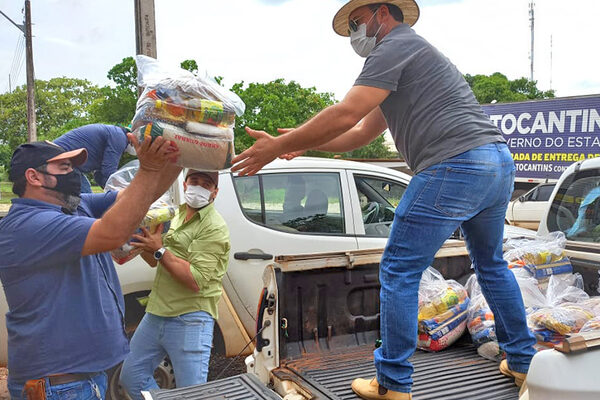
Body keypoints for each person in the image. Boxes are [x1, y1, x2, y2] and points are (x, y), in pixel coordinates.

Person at [231, 1, 536, 399]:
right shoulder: (412, 59)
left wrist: (279, 145)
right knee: (491, 264)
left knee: (398, 270)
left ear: (382, 14)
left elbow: (344, 112)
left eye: (357, 22)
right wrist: (300, 144)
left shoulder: (393, 47)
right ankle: (522, 362)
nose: (354, 32)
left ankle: (392, 383)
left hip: (454, 164)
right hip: (495, 163)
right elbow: (358, 133)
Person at [0, 136, 180, 400]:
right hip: (57, 386)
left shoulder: (74, 206)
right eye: (63, 168)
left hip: (82, 379)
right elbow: (113, 234)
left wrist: (179, 155)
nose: (73, 173)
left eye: (73, 167)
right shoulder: (28, 225)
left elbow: (144, 194)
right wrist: (148, 168)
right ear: (34, 177)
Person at [120, 169, 230, 400]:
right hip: (157, 312)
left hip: (190, 319)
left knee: (192, 394)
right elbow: (154, 261)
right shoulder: (174, 215)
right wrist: (142, 244)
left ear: (215, 192)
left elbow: (195, 280)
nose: (198, 187)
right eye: (194, 181)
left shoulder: (214, 227)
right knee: (131, 376)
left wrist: (159, 250)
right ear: (185, 184)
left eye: (206, 184)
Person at [54, 123, 135, 193]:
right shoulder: (119, 137)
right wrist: (122, 194)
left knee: (85, 195)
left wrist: (110, 191)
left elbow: (99, 175)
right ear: (131, 136)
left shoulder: (115, 134)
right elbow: (109, 172)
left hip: (62, 159)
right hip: (61, 158)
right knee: (86, 199)